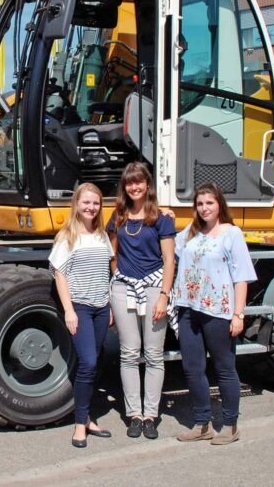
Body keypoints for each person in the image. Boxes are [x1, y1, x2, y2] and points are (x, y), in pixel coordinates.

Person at [173, 182, 257, 446]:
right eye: (199, 204)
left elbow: (241, 276)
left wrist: (238, 314)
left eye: (209, 203)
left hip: (218, 311)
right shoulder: (190, 232)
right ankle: (202, 424)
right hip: (189, 309)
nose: (204, 208)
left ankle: (230, 425)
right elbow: (170, 251)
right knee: (193, 368)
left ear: (219, 204)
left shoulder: (231, 234)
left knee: (224, 368)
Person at [107, 162, 176, 440]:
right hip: (125, 289)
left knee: (154, 354)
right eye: (129, 183)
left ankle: (151, 414)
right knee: (129, 353)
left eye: (139, 182)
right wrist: (118, 282)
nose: (134, 187)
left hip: (153, 288)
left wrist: (164, 295)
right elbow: (112, 255)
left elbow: (169, 259)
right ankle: (134, 414)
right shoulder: (119, 216)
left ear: (147, 184)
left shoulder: (162, 218)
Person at [50, 183, 114, 449]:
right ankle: (79, 425)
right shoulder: (67, 237)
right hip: (81, 308)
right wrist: (69, 311)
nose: (91, 207)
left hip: (101, 307)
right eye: (86, 202)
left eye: (96, 203)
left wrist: (108, 305)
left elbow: (107, 271)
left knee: (96, 360)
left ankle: (87, 418)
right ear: (76, 204)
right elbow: (59, 274)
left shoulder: (102, 235)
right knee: (87, 362)